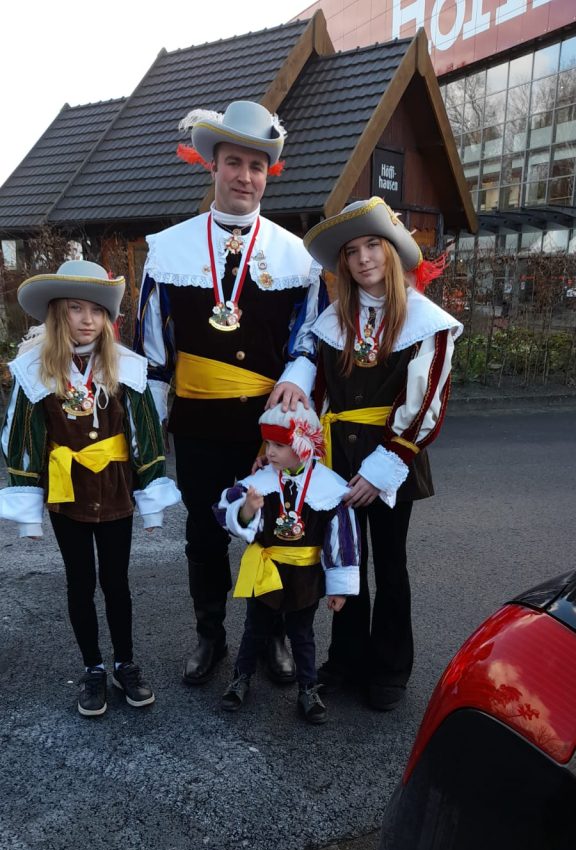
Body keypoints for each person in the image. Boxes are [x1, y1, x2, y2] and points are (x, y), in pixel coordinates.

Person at [134, 100, 322, 689]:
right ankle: (209, 634)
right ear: (211, 165)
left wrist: (297, 379)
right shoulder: (168, 249)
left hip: (271, 424)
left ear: (269, 174)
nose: (245, 176)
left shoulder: (298, 256)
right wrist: (151, 430)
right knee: (204, 533)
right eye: (234, 163)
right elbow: (152, 351)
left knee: (277, 528)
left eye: (256, 166)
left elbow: (309, 339)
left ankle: (272, 637)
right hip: (198, 423)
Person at [0, 260, 181, 717]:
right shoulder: (34, 370)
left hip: (116, 490)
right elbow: (22, 435)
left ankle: (125, 663)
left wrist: (152, 502)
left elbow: (145, 433)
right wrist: (27, 509)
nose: (87, 319)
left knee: (116, 581)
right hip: (69, 494)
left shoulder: (127, 367)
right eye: (75, 309)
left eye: (97, 311)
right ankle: (93, 667)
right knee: (79, 582)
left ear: (107, 318)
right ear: (57, 314)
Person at [303, 197, 463, 712]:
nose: (363, 258)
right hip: (338, 459)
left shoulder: (425, 320)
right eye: (352, 252)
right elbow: (321, 393)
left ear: (392, 251)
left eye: (373, 245)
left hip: (394, 460)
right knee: (345, 558)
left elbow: (425, 403)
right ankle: (347, 660)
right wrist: (312, 456)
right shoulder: (334, 320)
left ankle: (391, 668)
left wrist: (382, 468)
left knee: (392, 564)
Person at [214, 402, 359, 723]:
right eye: (268, 443)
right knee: (254, 630)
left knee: (302, 635)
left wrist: (340, 587)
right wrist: (248, 510)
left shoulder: (330, 487)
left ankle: (308, 689)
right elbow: (227, 514)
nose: (270, 452)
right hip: (265, 569)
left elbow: (342, 539)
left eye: (279, 445)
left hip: (305, 576)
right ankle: (240, 678)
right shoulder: (260, 482)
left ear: (303, 446)